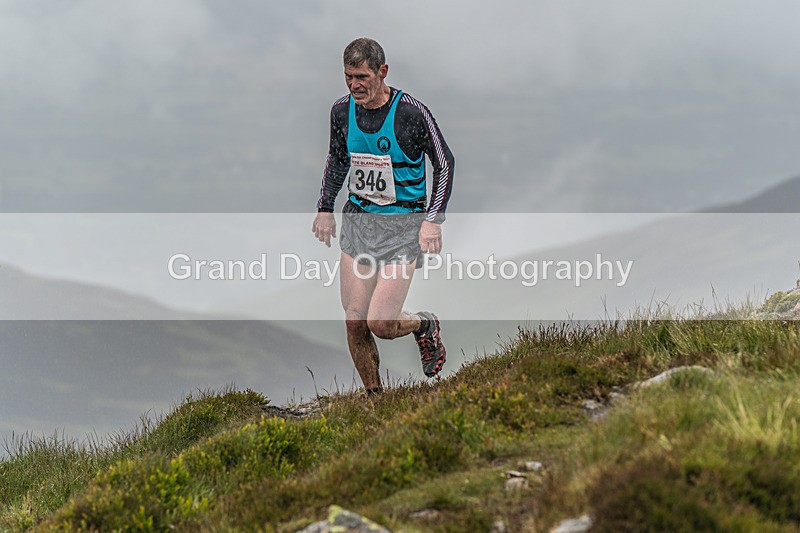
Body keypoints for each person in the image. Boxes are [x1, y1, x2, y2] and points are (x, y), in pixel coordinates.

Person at [312, 37, 455, 396]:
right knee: (354, 320)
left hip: (403, 226)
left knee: (381, 323)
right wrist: (325, 208)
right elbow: (337, 160)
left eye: (362, 76)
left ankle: (423, 325)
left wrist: (433, 219)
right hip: (359, 221)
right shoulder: (341, 112)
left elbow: (444, 163)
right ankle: (375, 398)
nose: (354, 85)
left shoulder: (410, 113)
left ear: (382, 72)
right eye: (348, 77)